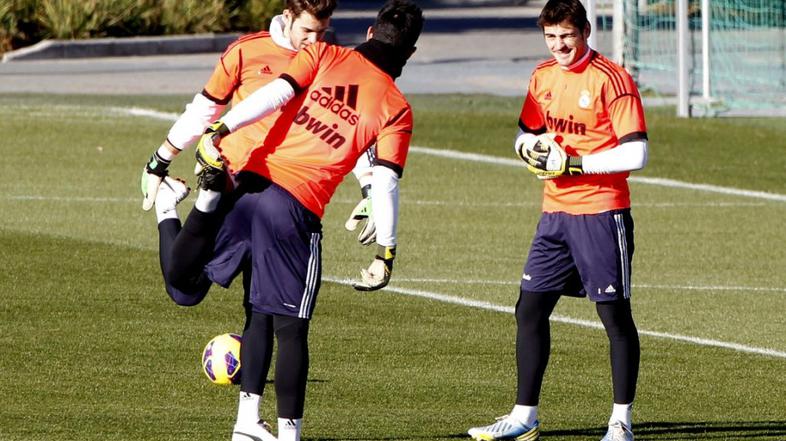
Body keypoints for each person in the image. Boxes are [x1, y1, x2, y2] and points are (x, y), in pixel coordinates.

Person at [153, 1, 423, 440]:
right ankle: (288, 434)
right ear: (410, 54)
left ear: (371, 34)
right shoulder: (397, 108)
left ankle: (246, 424)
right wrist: (385, 252)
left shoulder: (324, 54)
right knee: (290, 327)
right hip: (293, 209)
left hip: (250, 188)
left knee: (218, 296)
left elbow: (274, 94)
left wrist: (222, 129)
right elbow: (386, 182)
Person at [467, 1, 648, 440]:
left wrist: (574, 164)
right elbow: (525, 133)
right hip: (555, 214)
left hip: (601, 212)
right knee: (529, 308)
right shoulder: (542, 76)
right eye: (551, 37)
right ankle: (524, 417)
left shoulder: (612, 80)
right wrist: (527, 149)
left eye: (566, 35)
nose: (559, 45)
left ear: (585, 30)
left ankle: (620, 423)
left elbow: (636, 153)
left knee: (614, 317)